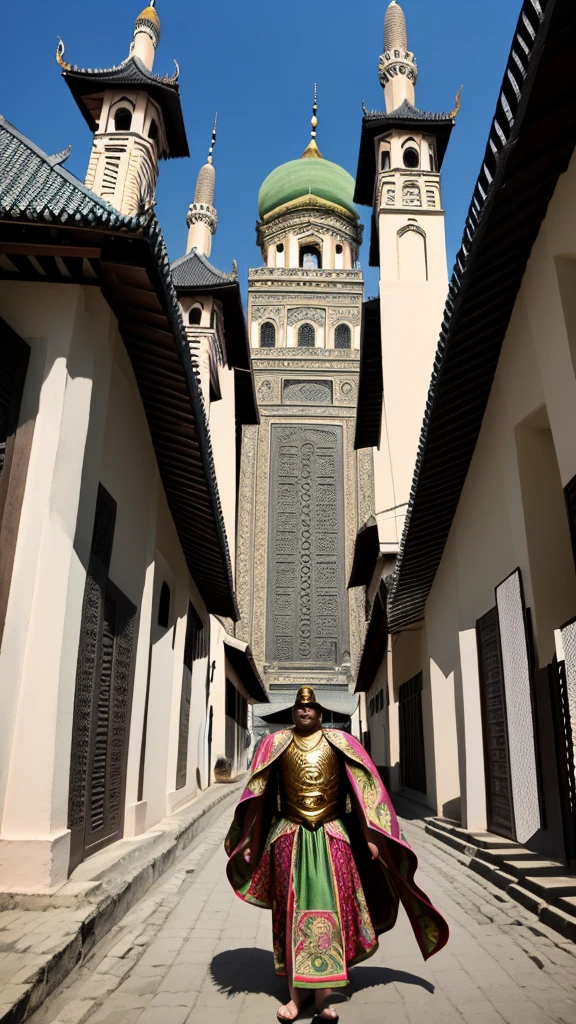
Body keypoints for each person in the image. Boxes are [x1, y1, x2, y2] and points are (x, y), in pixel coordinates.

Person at [225, 687, 448, 1022]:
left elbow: (361, 792)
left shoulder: (340, 743)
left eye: (310, 707)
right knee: (290, 910)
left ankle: (324, 996)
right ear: (292, 713)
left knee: (334, 909)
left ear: (320, 712)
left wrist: (371, 836)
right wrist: (252, 843)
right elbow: (262, 797)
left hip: (332, 835)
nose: (304, 712)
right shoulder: (276, 744)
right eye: (299, 708)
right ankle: (296, 999)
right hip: (289, 835)